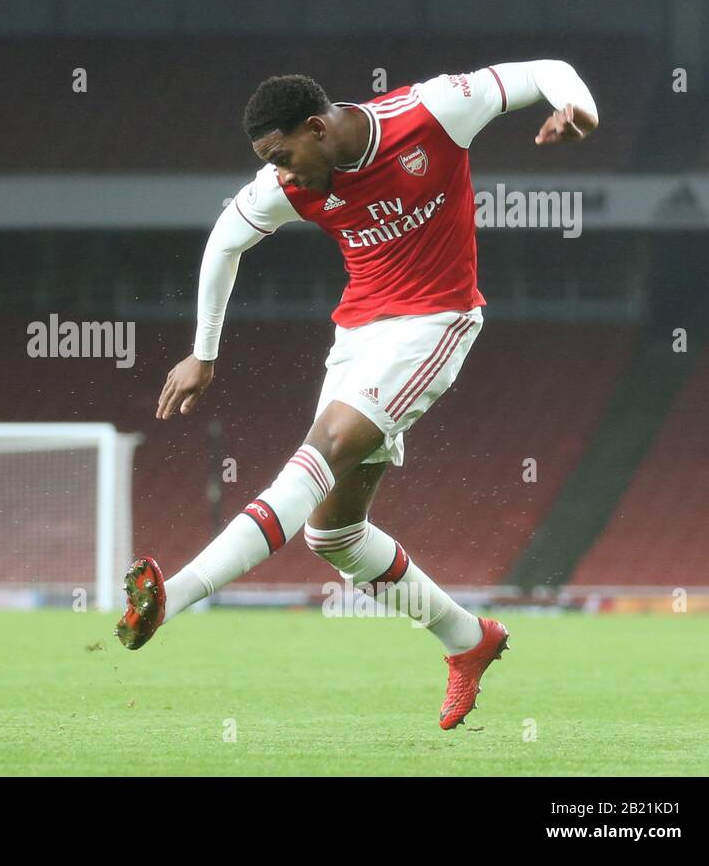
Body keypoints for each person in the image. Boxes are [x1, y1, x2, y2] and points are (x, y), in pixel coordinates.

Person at [116, 61, 598, 729]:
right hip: (358, 335)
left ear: (317, 127)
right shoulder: (289, 183)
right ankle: (468, 640)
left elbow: (547, 71)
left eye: (284, 155)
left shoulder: (433, 112)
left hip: (435, 320)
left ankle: (175, 594)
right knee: (334, 534)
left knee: (324, 449)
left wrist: (578, 106)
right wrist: (204, 353)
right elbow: (224, 244)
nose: (282, 174)